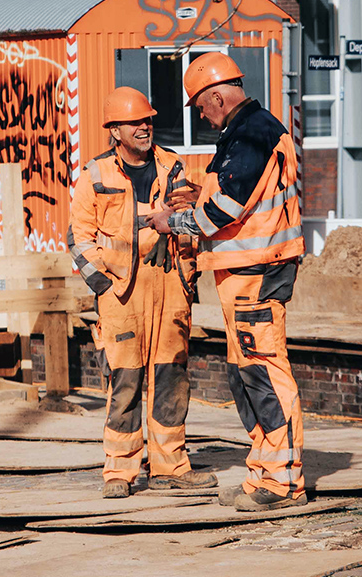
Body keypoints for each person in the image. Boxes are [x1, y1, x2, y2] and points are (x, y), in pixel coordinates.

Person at [145, 52, 307, 512]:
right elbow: (239, 200)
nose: (199, 113)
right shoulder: (243, 134)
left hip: (259, 270)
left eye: (199, 104)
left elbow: (225, 212)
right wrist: (201, 195)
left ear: (217, 95)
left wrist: (173, 221)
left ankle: (283, 480)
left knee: (264, 371)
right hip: (246, 271)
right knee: (245, 373)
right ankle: (264, 470)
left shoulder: (252, 133)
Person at [71, 87, 216, 499]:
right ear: (114, 129)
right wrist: (103, 284)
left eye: (148, 120)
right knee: (126, 381)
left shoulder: (172, 165)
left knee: (172, 377)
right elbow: (77, 239)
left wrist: (189, 278)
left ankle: (170, 465)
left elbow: (188, 219)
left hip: (169, 287)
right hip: (121, 294)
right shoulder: (95, 175)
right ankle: (120, 469)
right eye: (136, 122)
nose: (144, 127)